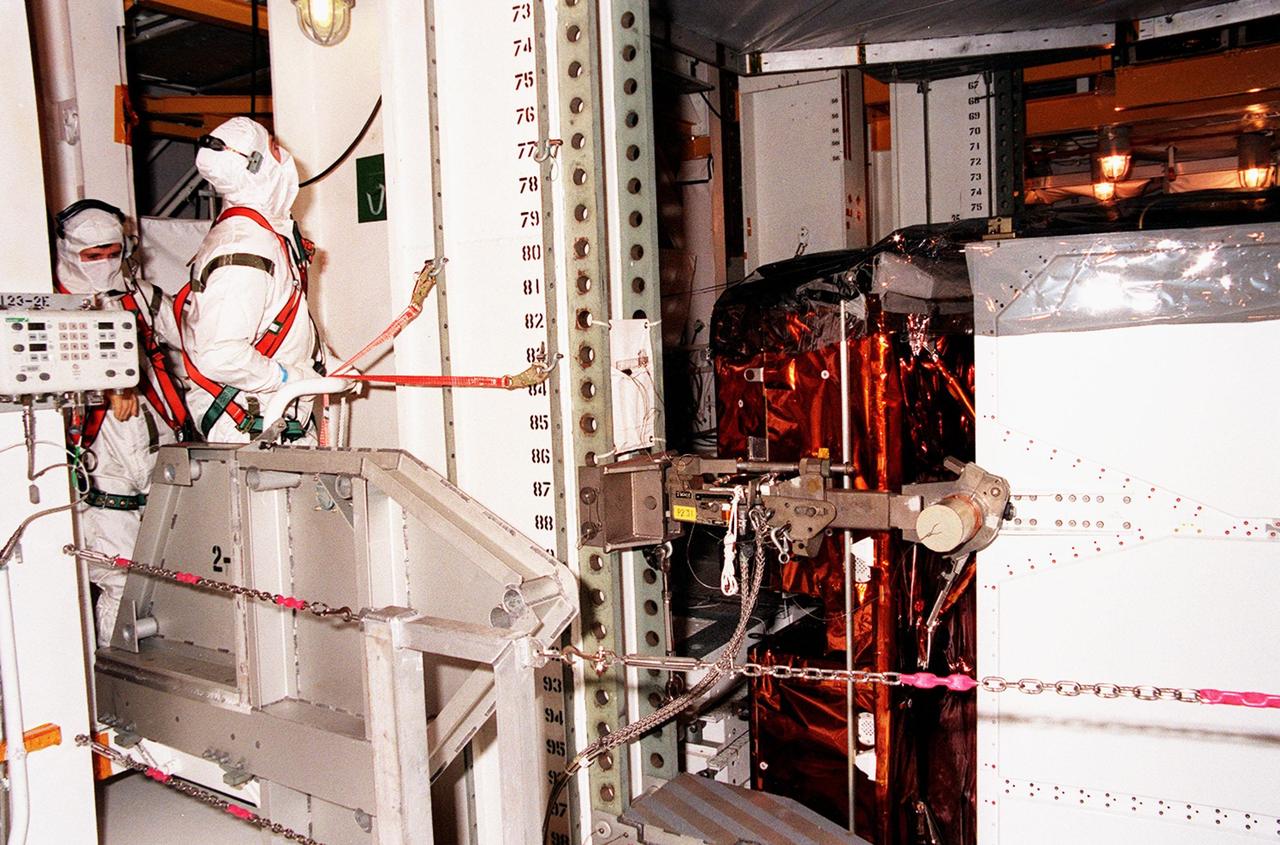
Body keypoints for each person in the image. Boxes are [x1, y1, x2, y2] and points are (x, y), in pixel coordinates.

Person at [54, 199, 190, 646]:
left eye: (112, 252)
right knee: (119, 578)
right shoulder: (50, 310)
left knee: (171, 569)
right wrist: (105, 385)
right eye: (91, 256)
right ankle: (116, 672)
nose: (103, 263)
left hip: (156, 444)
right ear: (69, 251)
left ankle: (159, 663)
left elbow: (196, 345)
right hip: (96, 456)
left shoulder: (145, 300)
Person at [177, 117, 330, 443]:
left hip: (277, 414)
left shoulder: (265, 235)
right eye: (274, 147)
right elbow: (221, 354)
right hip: (254, 423)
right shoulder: (244, 246)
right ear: (256, 164)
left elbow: (280, 320)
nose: (284, 154)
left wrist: (326, 364)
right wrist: (287, 377)